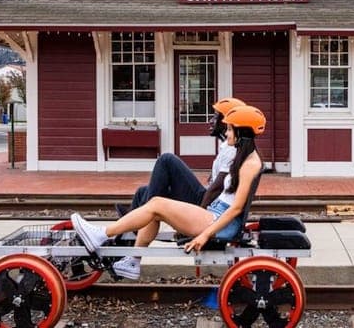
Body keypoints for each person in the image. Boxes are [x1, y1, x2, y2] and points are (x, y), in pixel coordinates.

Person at [72, 105, 266, 280]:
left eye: (231, 129)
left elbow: (236, 208)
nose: (228, 132)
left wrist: (205, 235)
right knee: (155, 206)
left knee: (156, 203)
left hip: (220, 220)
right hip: (216, 214)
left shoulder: (250, 164)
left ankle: (102, 234)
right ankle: (133, 261)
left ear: (242, 132)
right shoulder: (244, 156)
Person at [120, 97, 245, 215]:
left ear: (226, 122)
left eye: (215, 117)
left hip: (205, 204)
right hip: (205, 198)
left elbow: (217, 188)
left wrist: (199, 214)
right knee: (143, 191)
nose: (211, 120)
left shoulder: (231, 150)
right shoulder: (227, 147)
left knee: (166, 159)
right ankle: (130, 222)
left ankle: (141, 216)